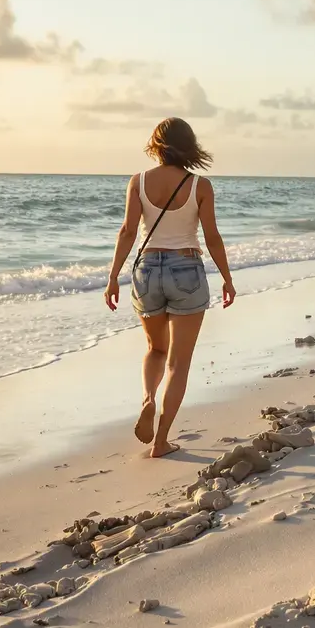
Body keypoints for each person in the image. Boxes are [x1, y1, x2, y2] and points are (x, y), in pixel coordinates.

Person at [105, 117, 237, 458]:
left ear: (157, 145)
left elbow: (127, 233)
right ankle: (160, 441)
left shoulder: (138, 181)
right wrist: (227, 278)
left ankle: (148, 399)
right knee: (179, 363)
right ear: (188, 144)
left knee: (155, 349)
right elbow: (212, 237)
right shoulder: (200, 186)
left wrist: (112, 277)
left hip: (147, 268)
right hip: (186, 268)